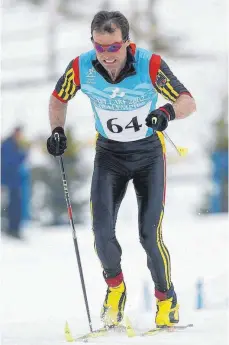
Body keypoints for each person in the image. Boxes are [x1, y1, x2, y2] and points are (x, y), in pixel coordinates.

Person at [47, 11, 196, 328]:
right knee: (101, 232)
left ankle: (166, 299)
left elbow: (187, 101)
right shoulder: (81, 67)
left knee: (149, 236)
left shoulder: (149, 64)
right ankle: (115, 290)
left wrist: (166, 111)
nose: (106, 55)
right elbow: (58, 99)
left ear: (128, 43)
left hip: (148, 156)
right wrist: (57, 131)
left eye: (113, 47)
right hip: (110, 156)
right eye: (99, 47)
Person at [1, 127, 28, 239]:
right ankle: (12, 230)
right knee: (13, 206)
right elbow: (9, 163)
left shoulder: (12, 144)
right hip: (11, 182)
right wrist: (22, 156)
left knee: (14, 206)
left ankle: (13, 229)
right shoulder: (8, 145)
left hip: (14, 181)